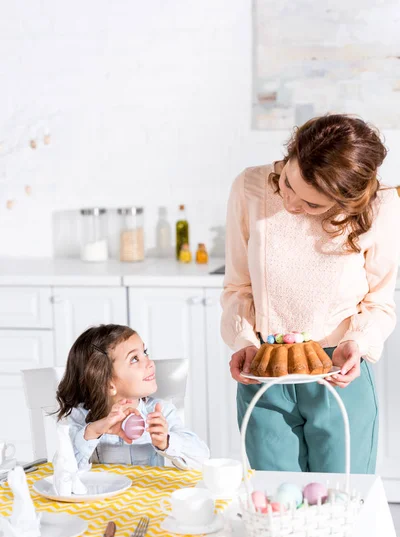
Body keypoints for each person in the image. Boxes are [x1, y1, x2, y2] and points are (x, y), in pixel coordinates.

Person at [221, 114, 400, 473]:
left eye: (312, 205)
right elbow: (238, 286)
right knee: (276, 504)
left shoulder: (380, 205)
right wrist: (243, 340)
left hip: (337, 371)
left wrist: (359, 344)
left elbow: (379, 302)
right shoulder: (250, 187)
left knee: (343, 503)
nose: (289, 203)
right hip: (266, 370)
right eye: (287, 182)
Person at [56, 324, 210, 470]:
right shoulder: (79, 417)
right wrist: (92, 431)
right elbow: (63, 470)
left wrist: (167, 441)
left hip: (145, 496)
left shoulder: (160, 413)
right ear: (109, 384)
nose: (149, 362)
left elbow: (202, 458)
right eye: (134, 359)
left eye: (145, 353)